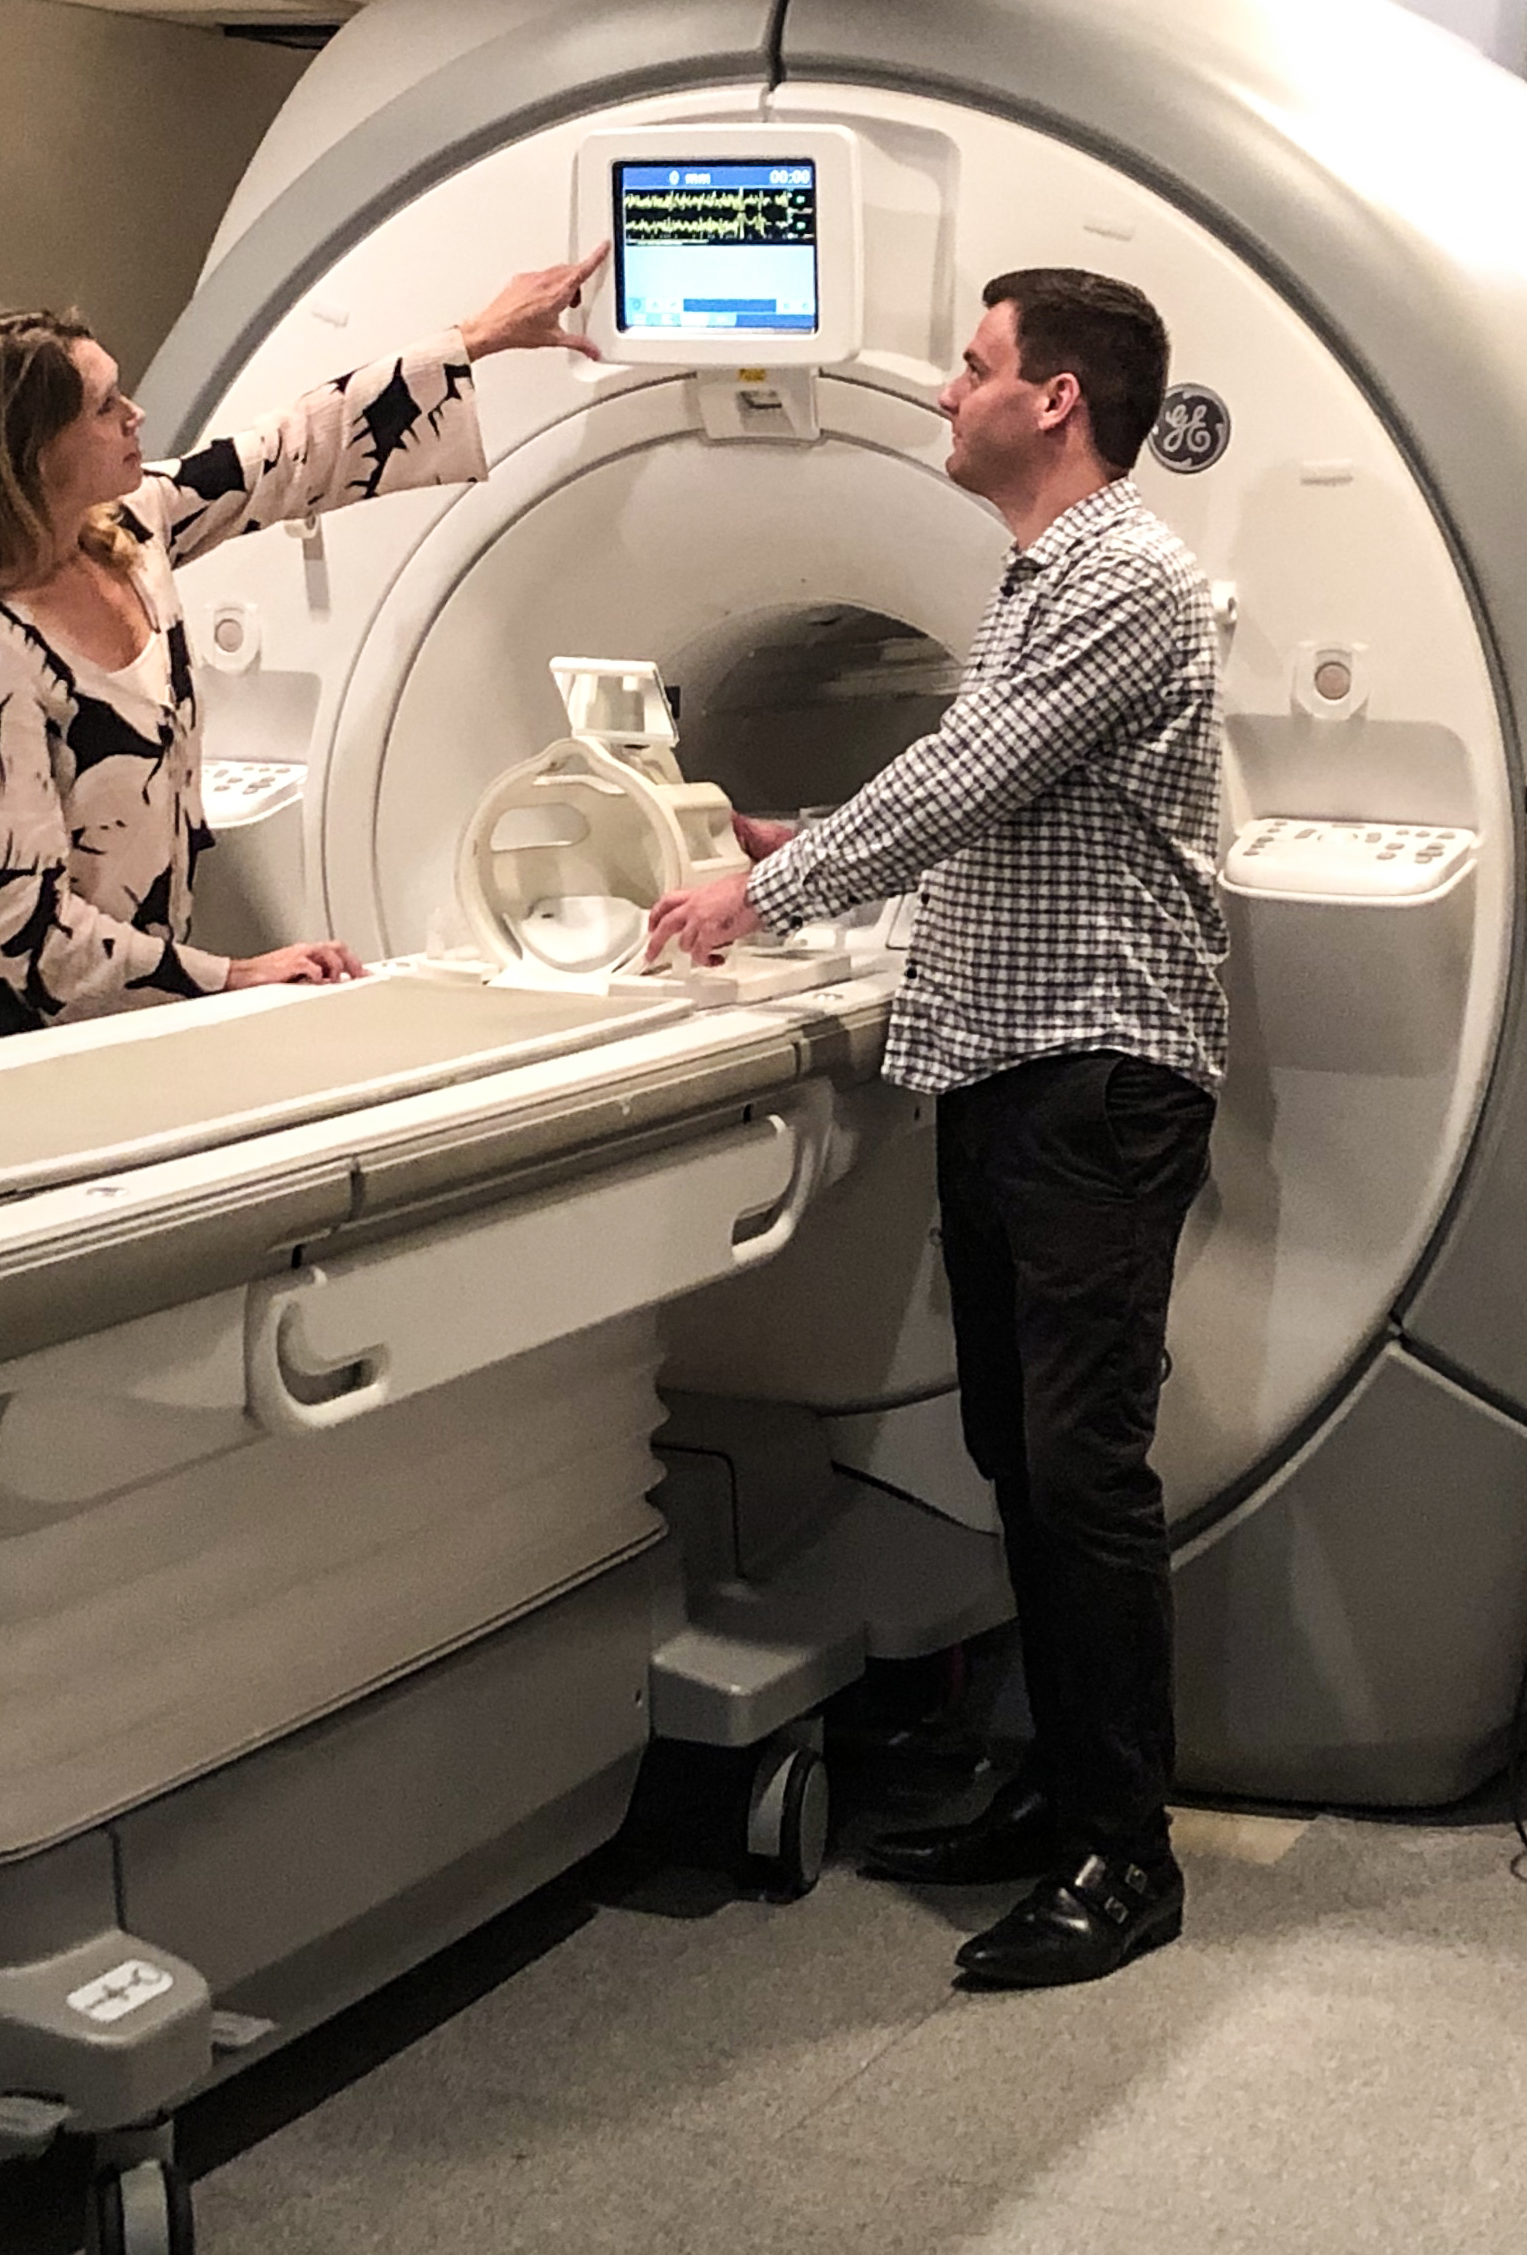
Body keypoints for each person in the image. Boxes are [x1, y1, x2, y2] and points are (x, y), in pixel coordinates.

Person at [646, 269, 1226, 1988]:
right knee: (1018, 1460)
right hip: (1008, 1066)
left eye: (970, 366)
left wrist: (763, 882)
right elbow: (982, 779)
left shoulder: (1124, 575)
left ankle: (1127, 1852)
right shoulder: (1042, 580)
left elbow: (964, 784)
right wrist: (794, 822)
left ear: (1053, 399)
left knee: (1075, 1468)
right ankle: (1060, 1803)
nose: (940, 393)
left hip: (1095, 1077)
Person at [0, 248, 605, 1047]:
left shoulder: (132, 529)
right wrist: (231, 975)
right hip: (12, 1035)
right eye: (103, 408)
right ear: (33, 451)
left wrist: (476, 338)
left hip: (134, 1012)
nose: (133, 414)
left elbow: (292, 450)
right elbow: (30, 933)